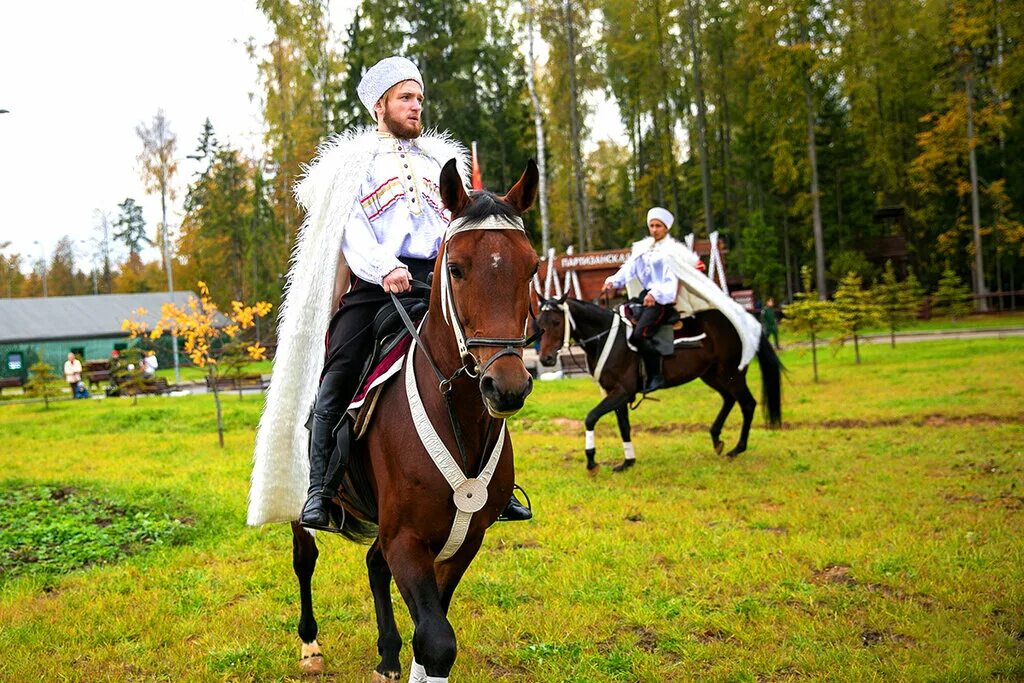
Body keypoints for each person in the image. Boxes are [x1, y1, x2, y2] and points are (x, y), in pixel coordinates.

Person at [248, 55, 531, 531]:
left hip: (441, 281)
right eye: (406, 98)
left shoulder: (439, 164)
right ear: (380, 105)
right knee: (337, 374)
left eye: (419, 98)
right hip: (375, 286)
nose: (416, 106)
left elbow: (459, 227)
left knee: (481, 360)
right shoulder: (354, 165)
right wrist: (384, 268)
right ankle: (321, 488)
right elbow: (350, 229)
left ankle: (496, 487)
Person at [602, 207, 703, 394]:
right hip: (645, 297)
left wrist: (654, 294)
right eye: (652, 225)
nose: (654, 229)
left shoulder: (671, 251)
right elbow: (628, 269)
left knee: (639, 335)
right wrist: (612, 281)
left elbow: (670, 281)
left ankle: (657, 375)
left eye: (658, 226)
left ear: (666, 228)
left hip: (662, 301)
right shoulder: (643, 248)